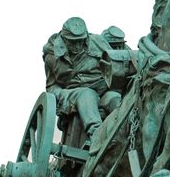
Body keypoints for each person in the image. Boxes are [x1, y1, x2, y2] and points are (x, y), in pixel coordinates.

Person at [43, 17, 121, 148]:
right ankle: (97, 135)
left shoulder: (98, 42)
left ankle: (120, 134)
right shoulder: (51, 56)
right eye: (74, 42)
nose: (78, 46)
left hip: (102, 90)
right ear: (65, 39)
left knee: (116, 99)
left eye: (81, 41)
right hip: (73, 93)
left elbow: (114, 66)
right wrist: (60, 94)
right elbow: (51, 85)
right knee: (87, 94)